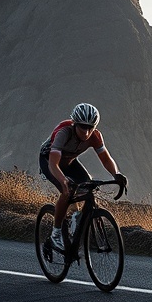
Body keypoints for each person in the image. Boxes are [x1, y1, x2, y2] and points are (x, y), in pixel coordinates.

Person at [39, 102, 127, 251]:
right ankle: (56, 234)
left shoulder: (95, 136)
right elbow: (53, 165)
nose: (86, 132)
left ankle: (78, 221)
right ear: (74, 123)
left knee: (88, 186)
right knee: (66, 191)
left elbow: (106, 159)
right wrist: (63, 180)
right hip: (49, 161)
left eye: (90, 127)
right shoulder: (63, 133)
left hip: (70, 162)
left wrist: (116, 174)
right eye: (82, 127)